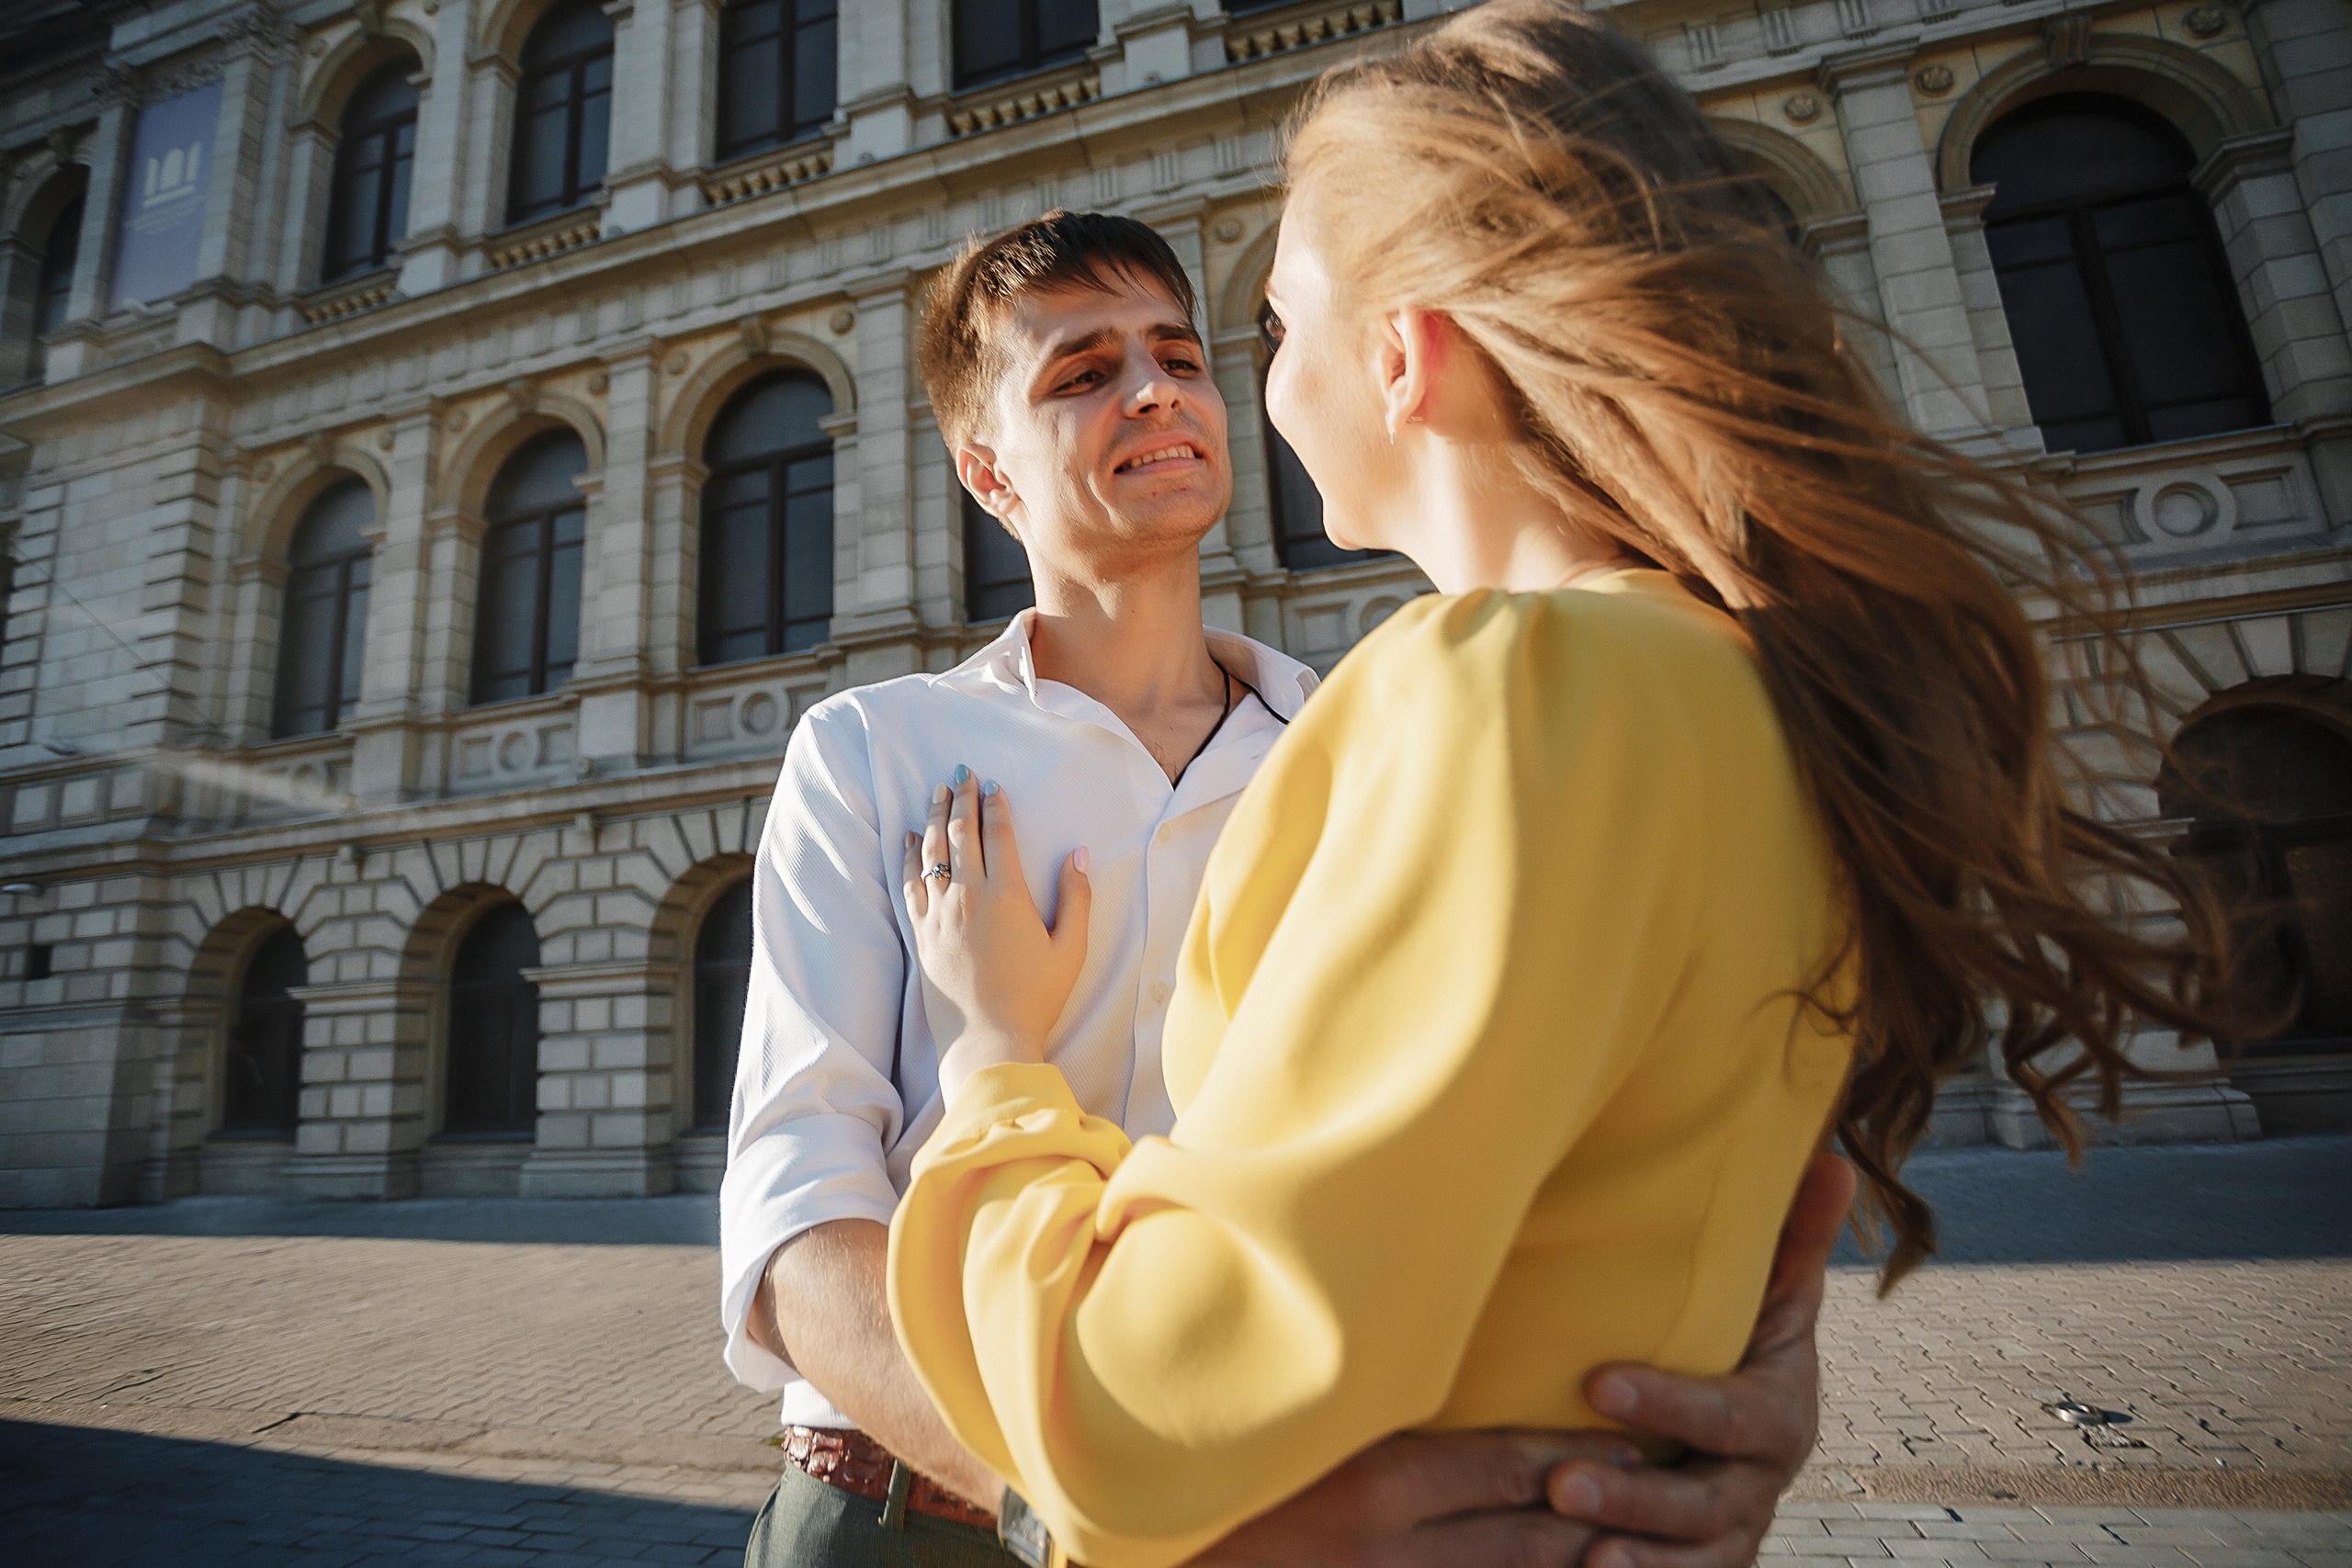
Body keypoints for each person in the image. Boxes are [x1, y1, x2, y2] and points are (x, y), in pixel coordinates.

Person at [883, 7, 2236, 1568]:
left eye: (1268, 327)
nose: (1236, 389)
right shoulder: (1744, 680)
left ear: (1403, 353)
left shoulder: (1504, 683)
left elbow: (1132, 1405)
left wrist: (995, 1063)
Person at [719, 208, 1850, 1568]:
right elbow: (796, 1221)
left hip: (1290, 1514)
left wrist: (1750, 1372)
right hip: (906, 1512)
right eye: (1081, 374)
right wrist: (1061, 1509)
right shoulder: (874, 751)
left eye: (1181, 355)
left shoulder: (1365, 741)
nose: (1155, 390)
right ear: (988, 473)